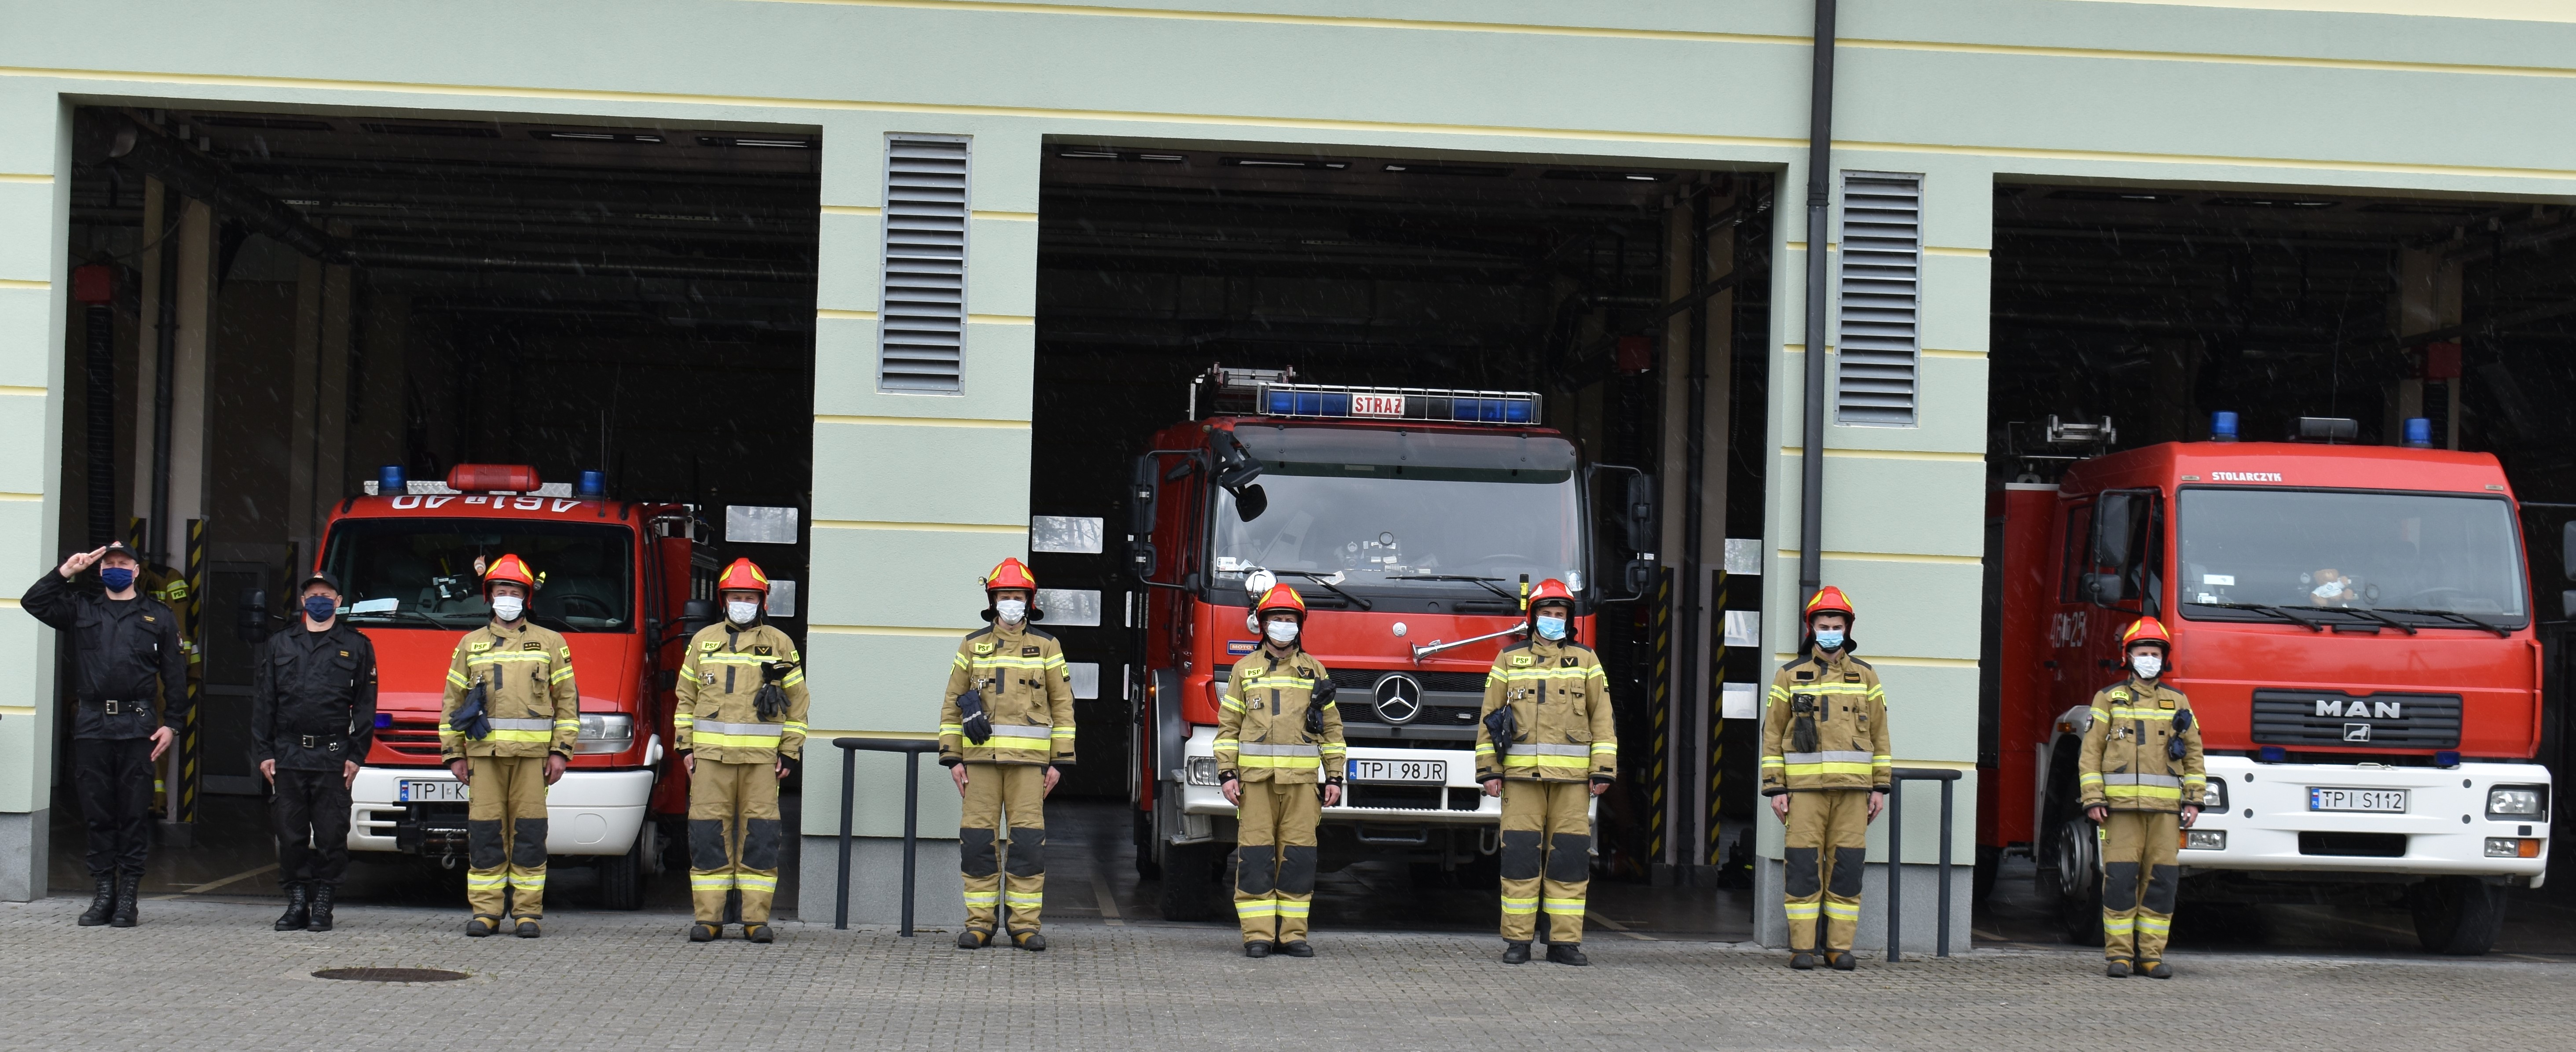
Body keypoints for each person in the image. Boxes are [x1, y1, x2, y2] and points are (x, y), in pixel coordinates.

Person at [23, 541, 188, 927]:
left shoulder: (158, 616)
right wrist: (66, 572)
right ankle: (102, 894)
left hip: (137, 726)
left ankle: (128, 896)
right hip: (93, 724)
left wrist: (173, 724)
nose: (116, 568)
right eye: (109, 563)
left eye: (123, 563)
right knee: (98, 814)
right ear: (100, 571)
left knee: (132, 813)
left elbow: (175, 674)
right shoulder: (82, 608)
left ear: (136, 571)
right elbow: (34, 602)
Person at [1474, 578, 1615, 966]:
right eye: (1546, 613)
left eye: (1559, 614)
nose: (1553, 619)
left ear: (1569, 619)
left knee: (1569, 862)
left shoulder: (1586, 660)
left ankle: (1563, 944)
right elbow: (1489, 718)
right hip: (1521, 780)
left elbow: (1602, 718)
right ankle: (1517, 941)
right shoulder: (1508, 659)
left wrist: (1603, 770)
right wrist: (1489, 771)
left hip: (1572, 783)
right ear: (1533, 617)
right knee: (1519, 860)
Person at [937, 557, 1075, 951]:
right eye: (1004, 596)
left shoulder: (1047, 646)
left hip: (1030, 767)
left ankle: (1025, 927)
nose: (1010, 603)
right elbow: (951, 703)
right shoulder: (972, 645)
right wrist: (953, 758)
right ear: (992, 601)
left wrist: (1059, 761)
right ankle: (979, 924)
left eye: (1017, 596)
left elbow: (1063, 705)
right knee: (977, 844)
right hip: (979, 764)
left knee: (1027, 846)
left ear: (1029, 601)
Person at [438, 553, 577, 938]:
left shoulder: (551, 643)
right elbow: (452, 702)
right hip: (484, 758)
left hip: (533, 761)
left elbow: (567, 701)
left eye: (515, 592)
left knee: (529, 835)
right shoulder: (470, 645)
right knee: (485, 835)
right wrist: (453, 754)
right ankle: (486, 913)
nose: (508, 599)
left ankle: (527, 913)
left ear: (527, 598)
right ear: (489, 596)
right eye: (501, 591)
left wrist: (561, 751)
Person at [674, 558, 809, 943]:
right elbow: (685, 698)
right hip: (710, 761)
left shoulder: (780, 644)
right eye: (736, 597)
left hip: (761, 763)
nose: (742, 604)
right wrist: (685, 748)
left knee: (760, 838)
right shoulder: (703, 641)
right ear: (724, 600)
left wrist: (790, 753)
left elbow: (798, 702)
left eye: (749, 597)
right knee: (707, 835)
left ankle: (755, 920)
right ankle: (709, 919)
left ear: (762, 601)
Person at [1760, 585, 1891, 971]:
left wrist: (1879, 787)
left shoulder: (1866, 676)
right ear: (1811, 628)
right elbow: (1772, 735)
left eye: (1836, 626)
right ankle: (1802, 948)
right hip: (1803, 793)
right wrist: (1775, 788)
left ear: (1847, 629)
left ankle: (1838, 948)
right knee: (1802, 868)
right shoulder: (1789, 676)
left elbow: (1880, 735)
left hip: (1853, 793)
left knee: (1847, 869)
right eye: (1824, 625)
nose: (1830, 632)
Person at [1215, 584, 1346, 958]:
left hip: (1302, 786)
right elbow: (1228, 728)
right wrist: (1227, 774)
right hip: (1255, 784)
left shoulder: (1314, 670)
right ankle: (1257, 936)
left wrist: (1334, 776)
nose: (1282, 626)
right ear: (1263, 624)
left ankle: (1292, 936)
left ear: (1299, 625)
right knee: (1256, 858)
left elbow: (1332, 729)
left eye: (1289, 619)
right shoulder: (1244, 670)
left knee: (1298, 859)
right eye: (1276, 619)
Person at [249, 570, 377, 933]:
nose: (319, 600)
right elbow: (265, 701)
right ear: (304, 601)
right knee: (290, 835)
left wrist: (356, 755)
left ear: (338, 601)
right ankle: (296, 902)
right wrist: (263, 752)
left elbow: (365, 705)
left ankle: (323, 903)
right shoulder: (281, 643)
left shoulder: (356, 645)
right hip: (289, 754)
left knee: (330, 835)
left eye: (326, 595)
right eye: (313, 595)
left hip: (333, 756)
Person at [2080, 616, 2205, 979]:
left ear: (2163, 658)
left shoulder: (2178, 701)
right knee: (2120, 882)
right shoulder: (2108, 699)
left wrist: (2193, 799)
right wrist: (2093, 798)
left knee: (2161, 884)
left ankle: (2150, 956)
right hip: (2119, 811)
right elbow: (2090, 753)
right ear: (2128, 656)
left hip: (2165, 812)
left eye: (2155, 653)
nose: (2149, 659)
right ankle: (2119, 956)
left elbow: (2194, 753)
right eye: (2142, 652)